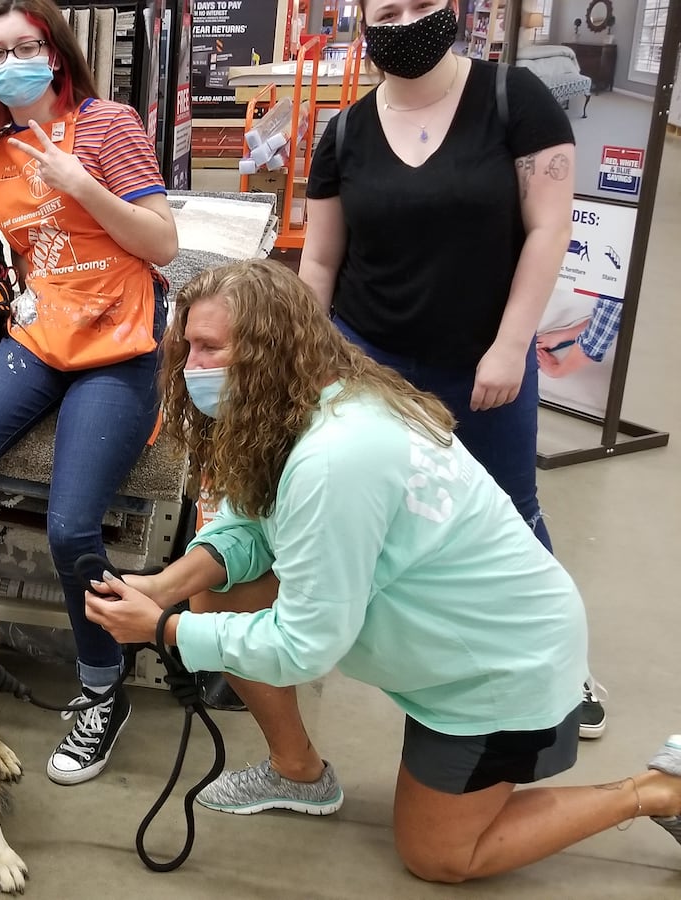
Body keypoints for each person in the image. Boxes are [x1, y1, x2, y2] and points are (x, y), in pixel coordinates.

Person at [83, 259, 681, 884]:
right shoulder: (308, 402)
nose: (191, 368)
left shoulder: (336, 458)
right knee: (216, 589)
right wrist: (165, 588)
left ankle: (655, 790)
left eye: (210, 348)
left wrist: (163, 631)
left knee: (440, 857)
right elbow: (250, 523)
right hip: (446, 639)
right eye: (187, 348)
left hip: (497, 669)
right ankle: (299, 774)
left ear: (271, 350)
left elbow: (307, 645)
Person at [297, 0, 607, 736]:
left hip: (483, 359)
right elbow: (320, 257)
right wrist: (310, 358)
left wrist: (508, 344)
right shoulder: (344, 132)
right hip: (368, 356)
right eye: (389, 9)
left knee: (509, 511)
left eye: (422, 4)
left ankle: (557, 663)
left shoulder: (514, 100)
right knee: (364, 512)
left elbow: (548, 228)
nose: (406, 20)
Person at [0, 0, 177, 785]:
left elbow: (163, 246)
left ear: (55, 52)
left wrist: (83, 186)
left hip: (118, 347)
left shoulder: (108, 126)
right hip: (37, 337)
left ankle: (103, 686)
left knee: (74, 526)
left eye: (23, 47)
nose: (6, 63)